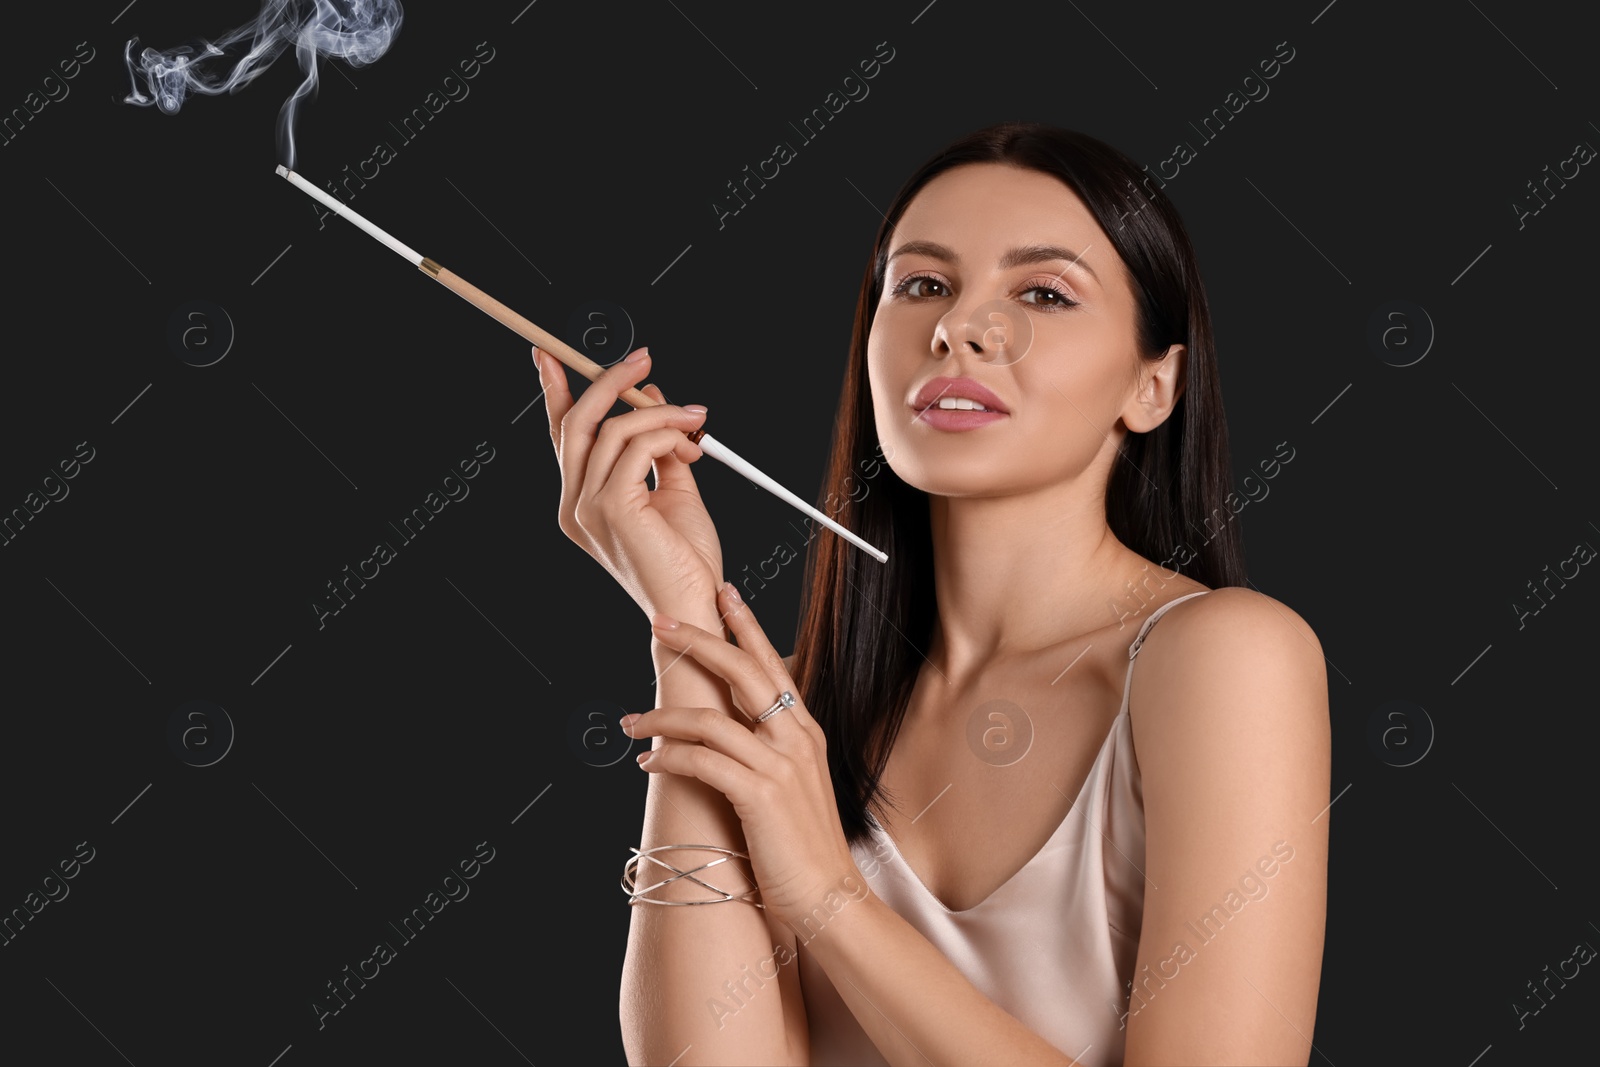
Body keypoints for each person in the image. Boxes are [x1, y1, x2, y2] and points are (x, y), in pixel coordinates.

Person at [536, 121, 1330, 1066]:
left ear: (1155, 386)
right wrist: (687, 627)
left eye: (1043, 291)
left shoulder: (1223, 658)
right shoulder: (791, 715)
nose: (959, 327)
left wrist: (829, 895)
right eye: (922, 285)